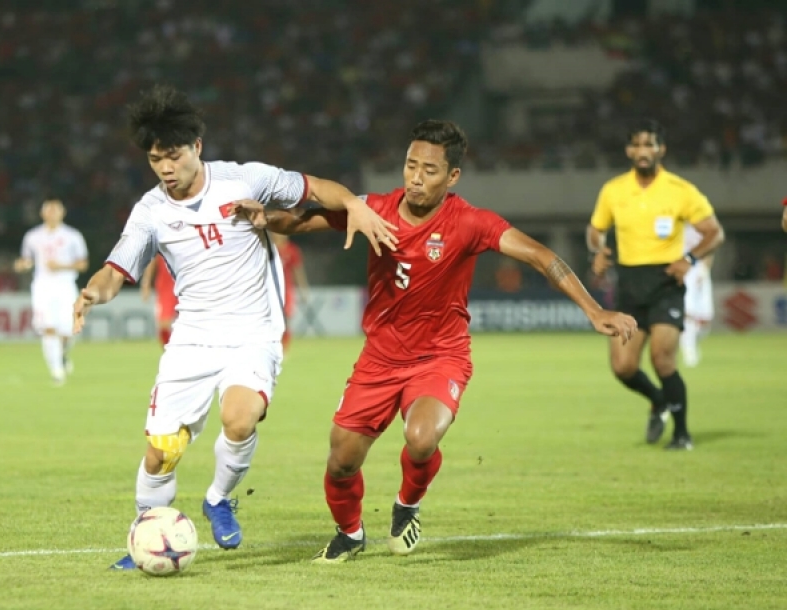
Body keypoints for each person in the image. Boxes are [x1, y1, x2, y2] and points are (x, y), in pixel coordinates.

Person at [240, 119, 636, 563]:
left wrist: (594, 310)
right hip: (379, 359)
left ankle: (407, 504)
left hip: (441, 356)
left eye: (429, 170)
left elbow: (541, 257)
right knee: (341, 461)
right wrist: (264, 217)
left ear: (452, 177)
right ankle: (350, 534)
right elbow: (302, 220)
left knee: (421, 437)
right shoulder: (375, 209)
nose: (415, 177)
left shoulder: (470, 222)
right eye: (410, 165)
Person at [70, 85, 397, 570]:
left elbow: (313, 188)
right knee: (161, 453)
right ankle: (146, 532)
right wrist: (91, 294)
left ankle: (219, 498)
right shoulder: (150, 211)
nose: (165, 168)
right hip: (192, 338)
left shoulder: (245, 179)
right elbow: (116, 271)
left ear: (197, 147)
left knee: (240, 419)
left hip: (253, 332)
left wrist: (354, 204)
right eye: (156, 159)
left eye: (174, 156)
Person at [587, 119, 724, 451]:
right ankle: (658, 400)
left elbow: (714, 233)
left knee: (663, 359)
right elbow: (595, 230)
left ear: (661, 149)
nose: (643, 151)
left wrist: (689, 259)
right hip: (628, 285)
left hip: (665, 282)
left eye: (649, 144)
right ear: (628, 150)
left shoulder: (680, 190)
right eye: (637, 144)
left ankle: (682, 435)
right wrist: (598, 251)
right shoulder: (613, 190)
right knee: (623, 367)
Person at [15, 199, 89, 385]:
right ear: (42, 214)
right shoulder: (32, 236)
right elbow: (25, 260)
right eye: (49, 210)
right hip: (42, 286)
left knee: (68, 330)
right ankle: (57, 372)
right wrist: (22, 265)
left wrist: (61, 266)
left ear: (62, 213)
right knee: (48, 328)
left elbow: (83, 264)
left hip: (65, 285)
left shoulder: (73, 236)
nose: (52, 213)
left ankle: (62, 354)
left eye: (56, 210)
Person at [679, 224, 714, 367]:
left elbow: (710, 248)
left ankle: (692, 340)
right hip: (683, 269)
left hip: (700, 270)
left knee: (705, 319)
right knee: (688, 312)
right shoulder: (676, 225)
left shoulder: (703, 224)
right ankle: (689, 349)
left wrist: (704, 270)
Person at [271, 232, 310, 349]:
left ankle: (284, 349)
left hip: (287, 290)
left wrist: (303, 289)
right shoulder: (269, 247)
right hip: (270, 289)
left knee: (286, 320)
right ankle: (272, 346)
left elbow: (298, 270)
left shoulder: (292, 250)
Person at [140, 256, 177, 346]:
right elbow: (152, 258)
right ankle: (169, 350)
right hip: (166, 285)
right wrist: (146, 282)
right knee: (164, 324)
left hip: (186, 283)